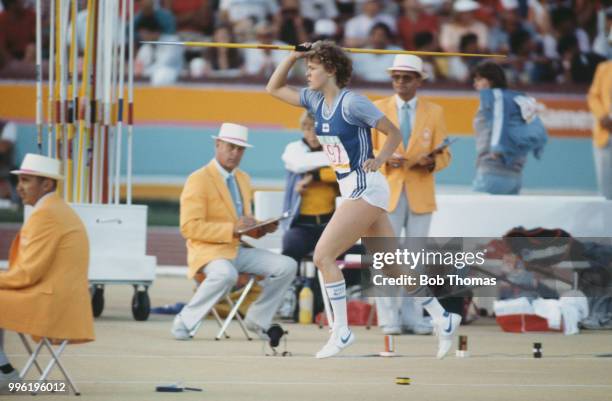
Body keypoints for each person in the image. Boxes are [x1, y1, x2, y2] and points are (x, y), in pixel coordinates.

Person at [266, 41, 461, 359]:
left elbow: (394, 133)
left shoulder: (353, 103)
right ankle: (443, 317)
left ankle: (341, 331)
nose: (307, 74)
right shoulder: (314, 101)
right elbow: (273, 88)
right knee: (392, 267)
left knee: (322, 256)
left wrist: (380, 158)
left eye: (312, 68)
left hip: (366, 187)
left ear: (330, 70)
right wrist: (292, 57)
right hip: (352, 189)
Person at [171, 123, 297, 341]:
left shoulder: (243, 179)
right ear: (217, 144)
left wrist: (261, 228)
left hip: (237, 250)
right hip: (208, 252)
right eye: (231, 147)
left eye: (240, 149)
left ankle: (257, 320)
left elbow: (242, 224)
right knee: (225, 274)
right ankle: (184, 322)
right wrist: (233, 229)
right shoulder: (198, 179)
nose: (235, 153)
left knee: (287, 266)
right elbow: (189, 227)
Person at [371, 54, 451, 336]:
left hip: (420, 191)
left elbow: (445, 154)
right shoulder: (377, 108)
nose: (400, 83)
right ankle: (388, 317)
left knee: (415, 258)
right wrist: (384, 159)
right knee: (386, 257)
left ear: (418, 81)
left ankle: (414, 316)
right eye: (396, 77)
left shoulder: (435, 112)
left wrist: (432, 162)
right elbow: (367, 151)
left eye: (406, 78)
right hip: (386, 192)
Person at [0, 154, 94, 389]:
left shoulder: (46, 214)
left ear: (47, 184)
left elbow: (27, 274)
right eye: (19, 180)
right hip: (60, 299)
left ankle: (4, 371)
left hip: (51, 302)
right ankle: (3, 368)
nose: (19, 187)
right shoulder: (54, 209)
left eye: (26, 181)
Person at [472, 61, 547, 195]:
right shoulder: (519, 100)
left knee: (478, 216)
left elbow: (500, 120)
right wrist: (538, 148)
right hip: (515, 175)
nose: (475, 84)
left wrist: (497, 148)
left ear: (489, 81)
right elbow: (535, 127)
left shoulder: (494, 99)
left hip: (492, 171)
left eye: (478, 79)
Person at [281, 111, 339, 265]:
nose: (312, 135)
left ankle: (331, 287)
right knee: (290, 246)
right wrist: (328, 164)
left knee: (353, 250)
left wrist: (315, 176)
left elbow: (341, 173)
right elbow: (299, 164)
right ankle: (295, 285)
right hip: (302, 225)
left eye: (316, 130)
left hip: (330, 224)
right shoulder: (293, 149)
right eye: (307, 129)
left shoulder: (334, 150)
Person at [587, 60, 612, 200]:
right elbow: (593, 96)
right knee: (606, 192)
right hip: (606, 134)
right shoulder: (604, 68)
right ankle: (607, 221)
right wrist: (603, 117)